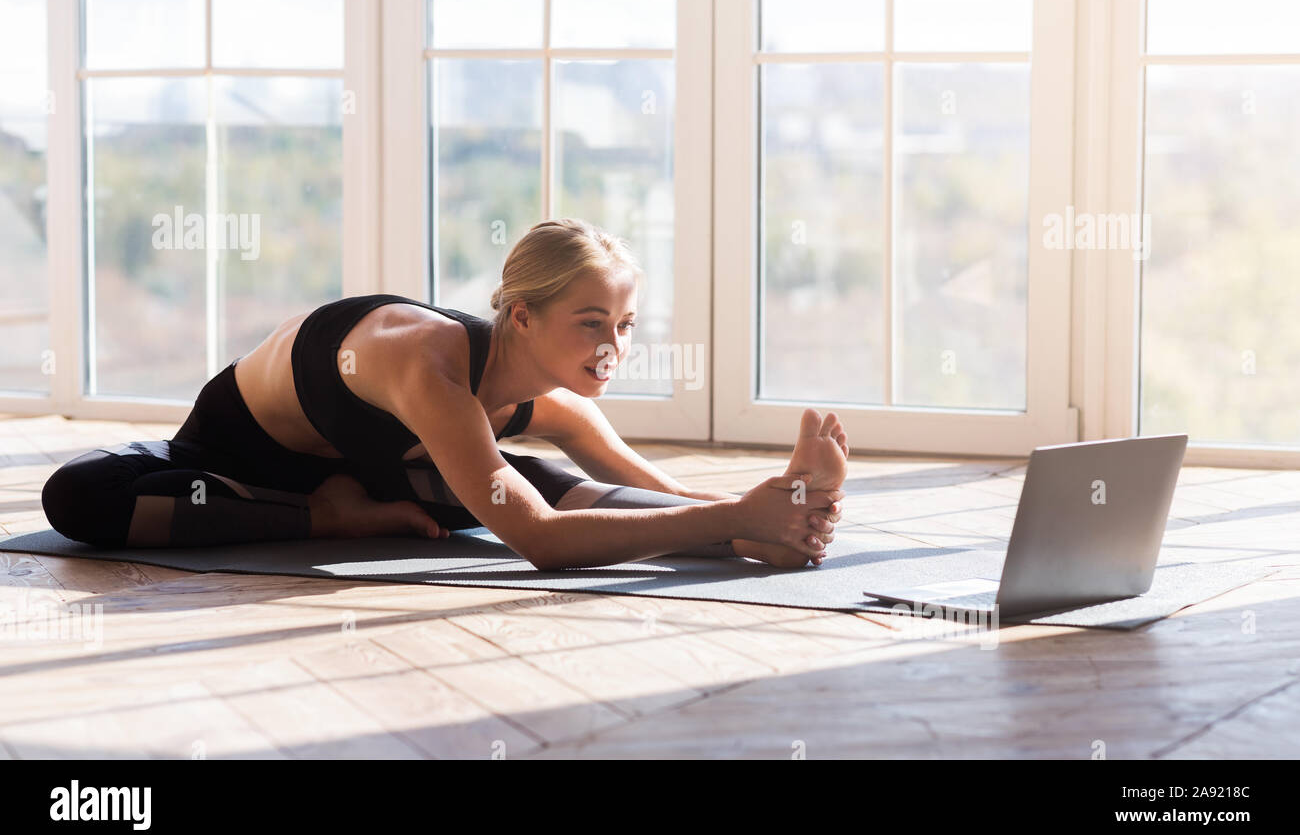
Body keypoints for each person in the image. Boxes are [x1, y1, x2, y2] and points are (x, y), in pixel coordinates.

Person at [41, 218, 848, 569]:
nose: (613, 347)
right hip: (229, 469)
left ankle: (770, 540)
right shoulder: (425, 365)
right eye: (591, 321)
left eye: (628, 325)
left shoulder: (557, 403)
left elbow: (659, 495)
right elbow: (537, 544)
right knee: (78, 496)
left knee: (552, 485)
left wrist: (770, 509)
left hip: (389, 474)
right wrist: (739, 512)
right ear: (523, 316)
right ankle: (326, 517)